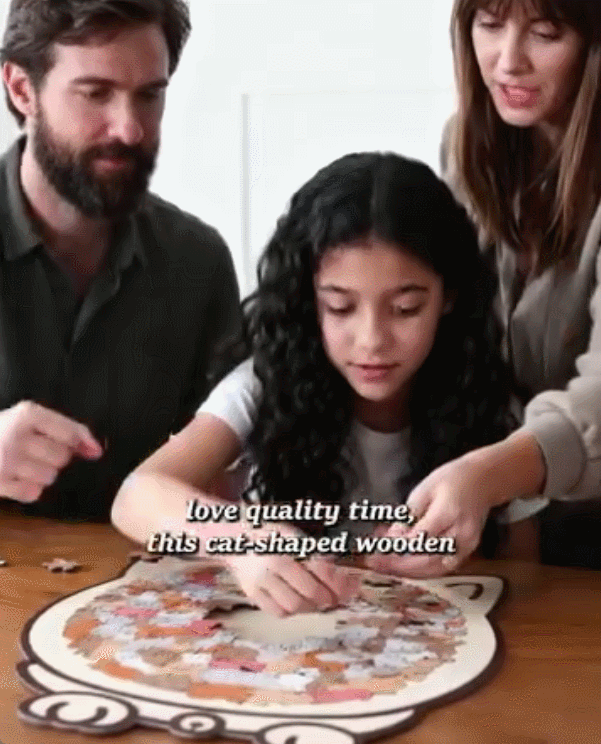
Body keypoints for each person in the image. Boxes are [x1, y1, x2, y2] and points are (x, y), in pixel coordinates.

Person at [111, 151, 546, 616]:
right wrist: (240, 540)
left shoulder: (490, 403)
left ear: (449, 297)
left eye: (405, 309)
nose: (372, 340)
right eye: (340, 308)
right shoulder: (264, 385)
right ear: (308, 301)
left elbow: (523, 577)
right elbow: (137, 494)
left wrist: (449, 557)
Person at [382, 0, 601, 576]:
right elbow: (455, 336)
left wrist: (485, 476)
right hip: (512, 515)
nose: (508, 61)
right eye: (490, 24)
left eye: (546, 33)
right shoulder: (466, 145)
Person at [0, 0, 240, 521]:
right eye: (95, 94)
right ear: (21, 89)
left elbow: (227, 471)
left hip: (136, 566)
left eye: (149, 96)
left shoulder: (197, 263)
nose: (130, 130)